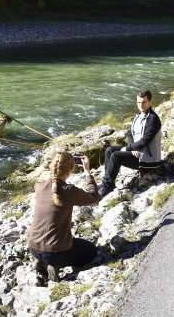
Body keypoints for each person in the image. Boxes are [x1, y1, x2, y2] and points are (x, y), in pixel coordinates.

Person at [26, 151, 99, 286]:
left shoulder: (39, 186)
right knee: (91, 251)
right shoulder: (68, 190)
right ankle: (54, 264)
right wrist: (87, 172)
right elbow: (94, 198)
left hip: (33, 247)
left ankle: (42, 262)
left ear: (52, 167)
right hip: (55, 252)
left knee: (63, 245)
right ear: (71, 169)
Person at [99, 90, 163, 198]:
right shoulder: (138, 116)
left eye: (144, 102)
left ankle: (107, 187)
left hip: (148, 160)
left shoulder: (153, 119)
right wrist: (132, 148)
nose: (141, 105)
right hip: (137, 153)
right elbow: (130, 134)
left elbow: (145, 141)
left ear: (150, 102)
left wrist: (128, 148)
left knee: (116, 156)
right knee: (109, 150)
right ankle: (108, 183)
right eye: (138, 102)